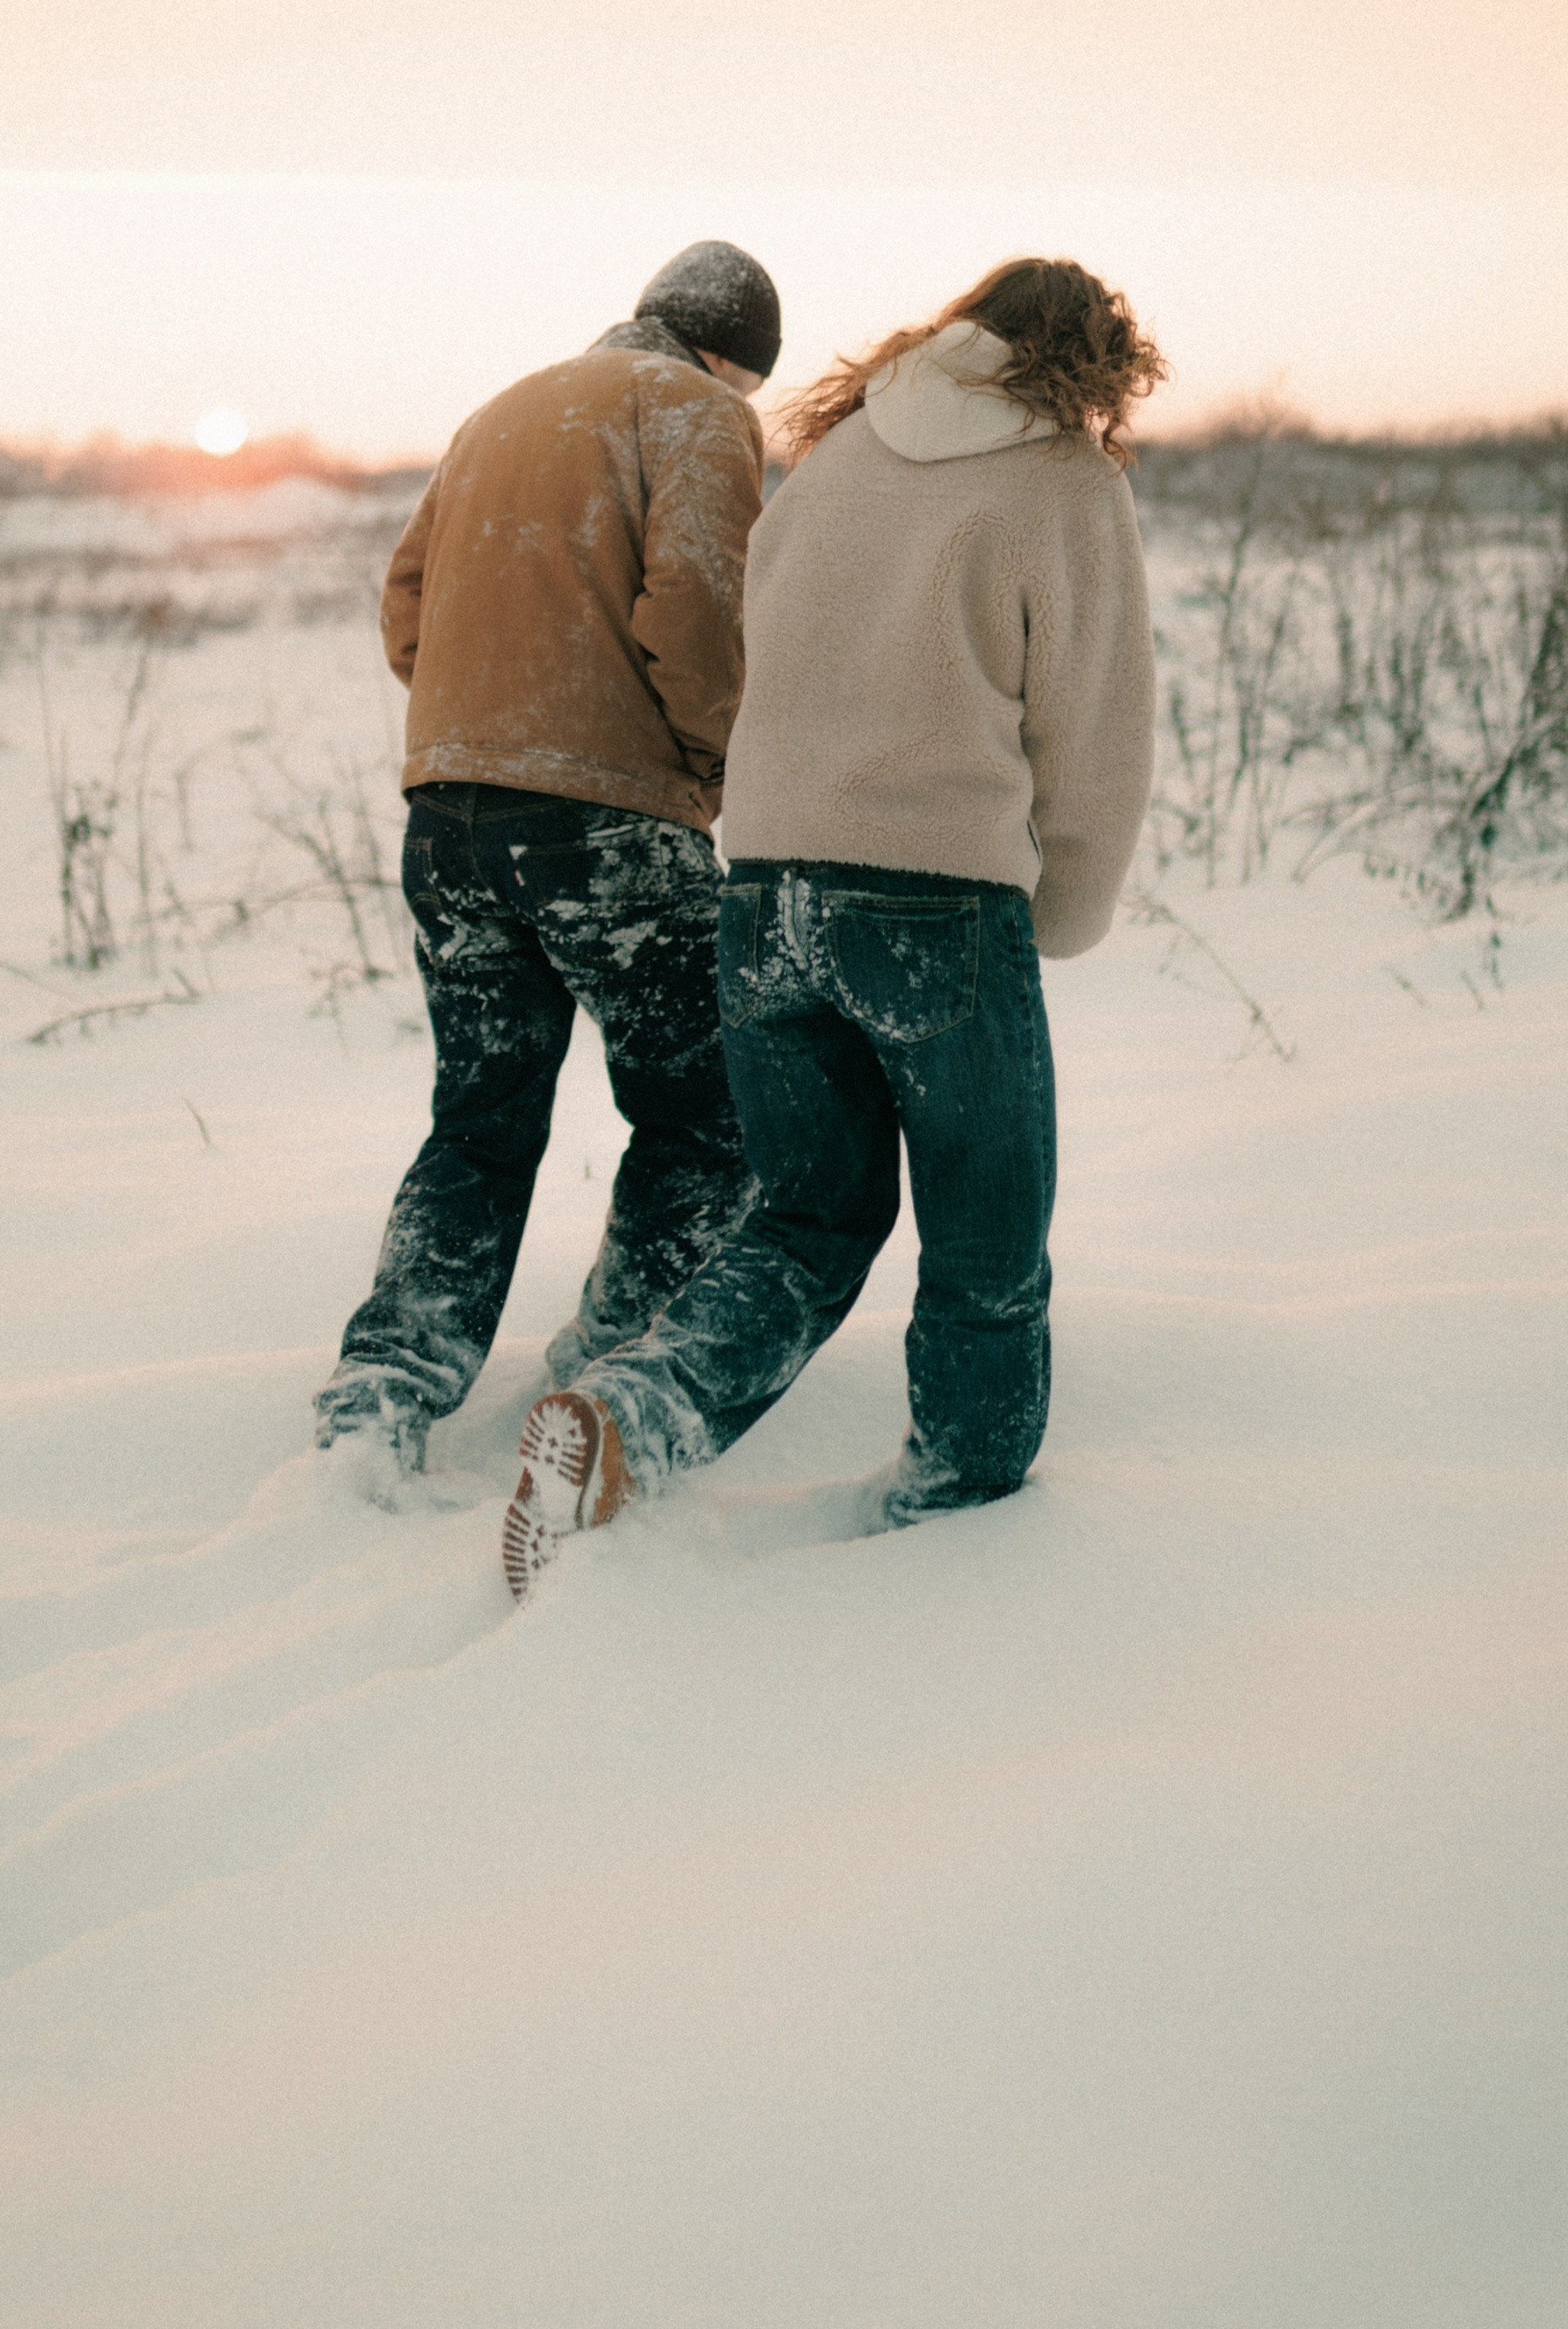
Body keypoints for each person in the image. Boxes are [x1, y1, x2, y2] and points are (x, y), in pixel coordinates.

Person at [500, 254, 1165, 1594]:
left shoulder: (838, 460)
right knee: (984, 1231)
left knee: (806, 1221)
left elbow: (758, 655)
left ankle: (634, 1413)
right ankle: (962, 1515)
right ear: (1090, 367)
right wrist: (1064, 911)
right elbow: (1097, 730)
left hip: (768, 898)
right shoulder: (1061, 484)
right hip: (936, 904)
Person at [315, 242, 782, 1486]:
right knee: (707, 1112)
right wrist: (705, 766)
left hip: (449, 815)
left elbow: (405, 607)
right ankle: (611, 1380)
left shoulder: (500, 410)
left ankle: (381, 1392)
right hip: (611, 824)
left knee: (478, 1118)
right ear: (734, 360)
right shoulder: (697, 417)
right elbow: (696, 608)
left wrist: (489, 723)